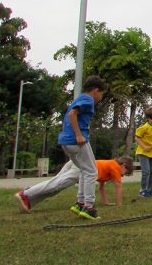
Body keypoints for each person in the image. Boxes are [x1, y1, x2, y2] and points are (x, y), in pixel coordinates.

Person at [56, 75, 107, 220]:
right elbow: (72, 114)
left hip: (66, 141)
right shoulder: (87, 99)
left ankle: (80, 203)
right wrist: (78, 135)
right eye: (101, 93)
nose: (101, 97)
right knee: (92, 172)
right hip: (77, 140)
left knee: (84, 170)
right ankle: (88, 207)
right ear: (96, 90)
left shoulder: (79, 98)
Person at [14, 157, 134, 213]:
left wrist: (105, 203)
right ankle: (25, 194)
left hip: (79, 165)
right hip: (80, 167)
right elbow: (118, 186)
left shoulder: (109, 170)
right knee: (56, 184)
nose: (123, 175)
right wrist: (120, 205)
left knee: (55, 188)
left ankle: (29, 202)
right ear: (123, 165)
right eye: (126, 172)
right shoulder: (115, 166)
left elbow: (101, 187)